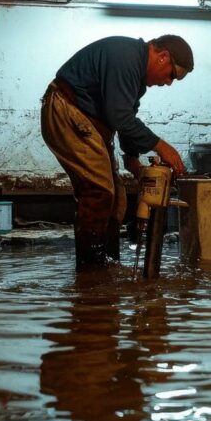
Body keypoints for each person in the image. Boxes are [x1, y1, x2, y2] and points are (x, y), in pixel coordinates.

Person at [41, 35, 192, 268]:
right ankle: (91, 274)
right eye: (172, 75)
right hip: (67, 109)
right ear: (163, 57)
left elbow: (125, 117)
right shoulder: (127, 57)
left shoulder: (134, 74)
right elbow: (119, 116)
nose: (169, 83)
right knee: (99, 192)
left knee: (117, 201)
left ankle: (108, 265)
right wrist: (162, 146)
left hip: (87, 119)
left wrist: (132, 160)